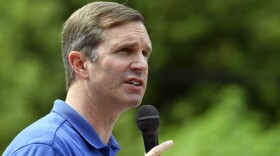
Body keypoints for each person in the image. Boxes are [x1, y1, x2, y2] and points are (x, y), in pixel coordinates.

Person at [3, 1, 173, 156]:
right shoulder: (46, 147)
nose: (142, 65)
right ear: (80, 64)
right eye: (125, 50)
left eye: (145, 53)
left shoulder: (101, 148)